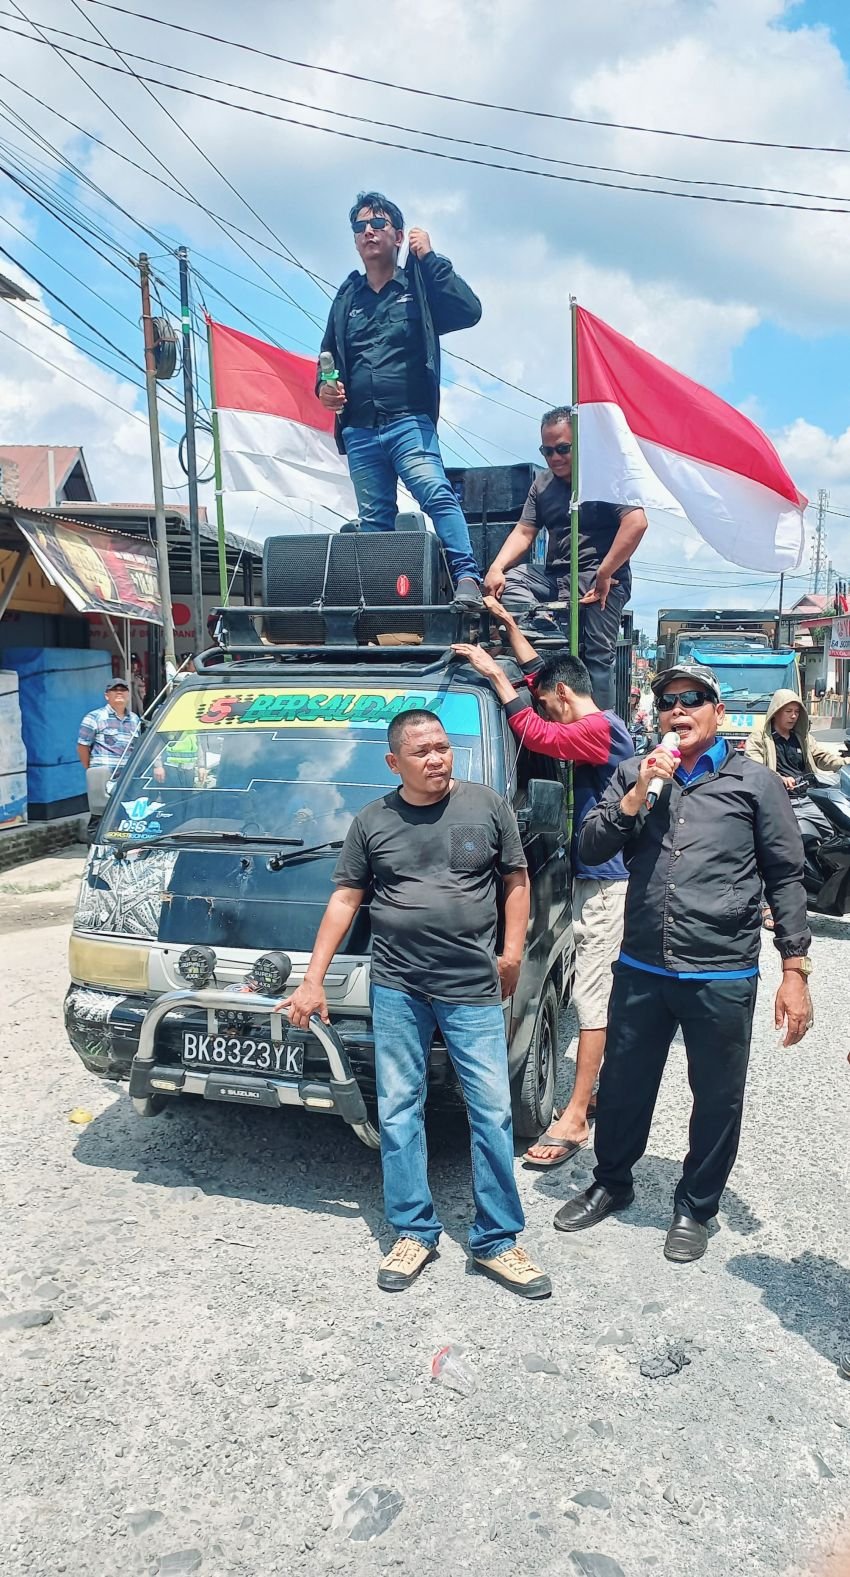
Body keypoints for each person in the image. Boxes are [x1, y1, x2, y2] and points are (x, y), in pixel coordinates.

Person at [280, 708, 551, 1299]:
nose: (436, 759)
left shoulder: (486, 806)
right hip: (398, 986)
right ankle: (414, 1230)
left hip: (472, 985)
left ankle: (497, 1239)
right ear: (394, 761)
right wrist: (312, 980)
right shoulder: (373, 821)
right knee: (401, 1109)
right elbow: (345, 901)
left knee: (492, 1111)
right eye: (421, 751)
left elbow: (515, 880)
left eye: (442, 747)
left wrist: (511, 954)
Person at [554, 663, 813, 1264]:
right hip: (644, 965)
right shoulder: (635, 774)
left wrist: (794, 970)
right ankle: (612, 1182)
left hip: (720, 971)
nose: (680, 709)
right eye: (668, 700)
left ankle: (696, 1206)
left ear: (717, 713)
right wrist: (639, 792)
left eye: (694, 699)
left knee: (717, 1095)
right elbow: (589, 847)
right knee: (622, 1085)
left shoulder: (753, 783)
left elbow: (786, 877)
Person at [453, 599, 634, 1166]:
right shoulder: (585, 712)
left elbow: (531, 730)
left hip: (607, 884)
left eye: (548, 701)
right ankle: (596, 1092)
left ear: (563, 697)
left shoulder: (597, 731)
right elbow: (540, 682)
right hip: (596, 877)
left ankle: (576, 1116)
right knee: (594, 994)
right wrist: (508, 626)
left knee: (592, 1000)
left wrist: (493, 674)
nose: (545, 707)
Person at [317, 190, 483, 605]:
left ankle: (467, 578)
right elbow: (327, 359)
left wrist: (430, 258)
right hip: (360, 428)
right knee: (374, 520)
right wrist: (325, 390)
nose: (368, 231)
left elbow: (469, 310)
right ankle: (383, 602)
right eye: (360, 226)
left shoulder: (419, 285)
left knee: (435, 491)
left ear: (397, 235)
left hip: (409, 421)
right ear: (355, 240)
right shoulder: (347, 297)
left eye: (378, 224)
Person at [483, 407, 648, 709]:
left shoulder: (606, 477)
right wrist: (496, 568)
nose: (555, 458)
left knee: (597, 656)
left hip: (600, 580)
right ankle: (547, 634)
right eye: (547, 451)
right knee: (515, 579)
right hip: (554, 579)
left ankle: (598, 735)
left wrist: (605, 572)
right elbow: (524, 532)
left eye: (563, 449)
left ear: (580, 445)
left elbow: (636, 523)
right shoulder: (542, 485)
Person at [745, 689, 845, 854]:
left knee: (831, 834)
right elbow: (755, 768)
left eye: (797, 712)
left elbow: (823, 758)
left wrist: (844, 763)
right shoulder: (759, 739)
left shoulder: (802, 738)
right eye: (788, 711)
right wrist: (779, 779)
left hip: (808, 797)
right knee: (789, 842)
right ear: (776, 712)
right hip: (780, 800)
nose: (793, 716)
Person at [77, 678, 140, 836]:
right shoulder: (94, 717)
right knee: (100, 817)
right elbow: (83, 746)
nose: (119, 692)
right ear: (107, 696)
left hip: (126, 779)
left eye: (123, 689)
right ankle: (95, 854)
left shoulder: (135, 719)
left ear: (128, 694)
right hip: (103, 779)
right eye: (114, 690)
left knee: (125, 818)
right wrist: (92, 770)